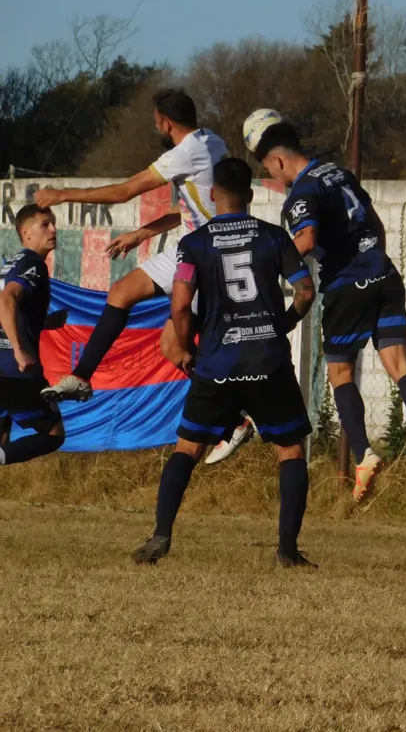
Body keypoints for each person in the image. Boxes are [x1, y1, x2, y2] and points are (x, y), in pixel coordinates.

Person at [34, 89, 254, 464]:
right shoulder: (212, 140)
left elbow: (124, 192)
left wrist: (62, 193)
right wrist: (142, 234)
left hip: (205, 255)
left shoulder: (183, 152)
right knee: (125, 296)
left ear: (165, 123)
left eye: (156, 121)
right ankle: (82, 376)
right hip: (191, 245)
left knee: (176, 345)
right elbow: (187, 208)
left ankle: (236, 417)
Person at [131, 158, 317, 567]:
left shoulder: (194, 244)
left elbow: (180, 307)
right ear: (250, 195)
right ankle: (287, 550)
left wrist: (185, 348)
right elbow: (305, 291)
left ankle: (161, 535)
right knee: (289, 451)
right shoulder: (274, 237)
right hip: (268, 361)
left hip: (216, 362)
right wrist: (277, 325)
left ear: (213, 194)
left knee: (188, 448)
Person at [253, 121, 406, 503]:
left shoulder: (302, 192)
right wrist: (373, 262)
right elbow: (376, 224)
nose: (273, 177)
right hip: (384, 273)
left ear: (276, 159)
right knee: (399, 363)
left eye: (270, 170)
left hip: (346, 285)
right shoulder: (340, 173)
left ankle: (365, 454)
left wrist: (271, 266)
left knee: (340, 372)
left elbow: (305, 238)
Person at [0, 205, 65, 465]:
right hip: (15, 369)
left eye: (53, 224)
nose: (53, 230)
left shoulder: (10, 264)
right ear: (26, 232)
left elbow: (9, 309)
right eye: (45, 225)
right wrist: (19, 348)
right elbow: (6, 301)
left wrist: (43, 322)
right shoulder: (34, 264)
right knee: (54, 435)